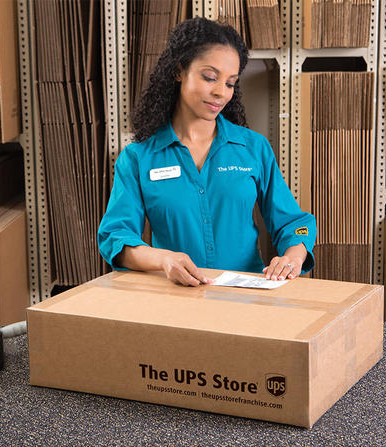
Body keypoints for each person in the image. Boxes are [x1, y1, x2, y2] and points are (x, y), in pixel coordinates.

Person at [98, 17, 316, 287]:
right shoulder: (138, 158)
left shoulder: (253, 148)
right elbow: (115, 236)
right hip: (177, 300)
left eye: (230, 83)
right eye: (210, 77)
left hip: (245, 300)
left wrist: (293, 256)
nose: (220, 93)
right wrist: (164, 259)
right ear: (179, 71)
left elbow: (293, 222)